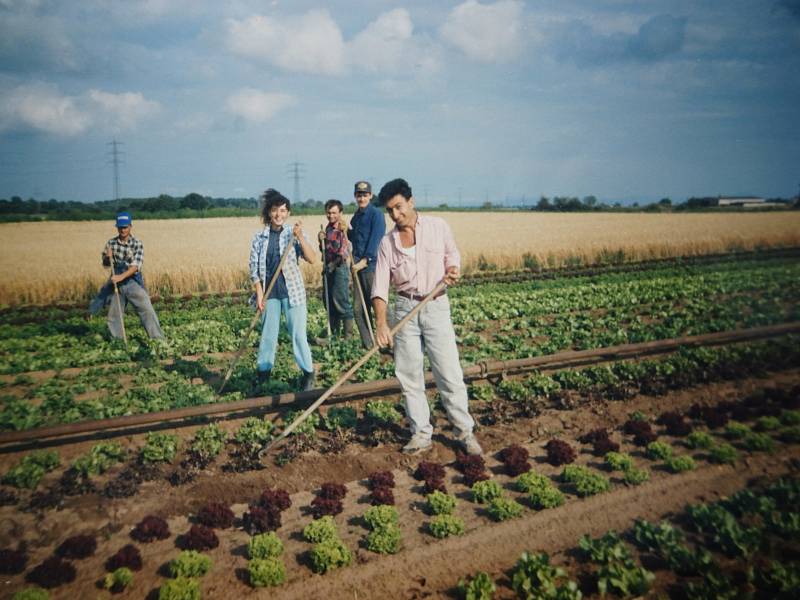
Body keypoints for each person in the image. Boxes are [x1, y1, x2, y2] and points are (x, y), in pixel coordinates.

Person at [371, 178, 483, 456]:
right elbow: (380, 287)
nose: (396, 215)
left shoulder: (438, 226)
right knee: (409, 376)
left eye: (399, 207)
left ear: (411, 201)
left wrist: (454, 270)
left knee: (448, 372)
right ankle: (421, 433)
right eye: (390, 211)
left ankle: (464, 432)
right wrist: (382, 323)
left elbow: (452, 256)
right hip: (404, 307)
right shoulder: (387, 243)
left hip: (435, 305)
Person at [249, 189, 316, 391]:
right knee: (268, 335)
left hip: (292, 292)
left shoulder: (293, 233)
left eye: (283, 210)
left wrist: (300, 238)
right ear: (269, 212)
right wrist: (259, 294)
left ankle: (308, 374)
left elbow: (312, 259)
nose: (279, 214)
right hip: (270, 294)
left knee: (297, 335)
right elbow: (253, 269)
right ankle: (263, 374)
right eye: (275, 210)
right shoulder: (259, 238)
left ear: (288, 213)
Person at [91, 212, 164, 339]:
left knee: (146, 308)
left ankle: (157, 339)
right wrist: (107, 258)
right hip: (116, 282)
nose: (122, 230)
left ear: (130, 226)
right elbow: (106, 264)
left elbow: (135, 266)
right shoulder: (111, 243)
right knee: (114, 314)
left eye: (125, 227)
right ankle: (118, 341)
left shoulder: (137, 243)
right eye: (120, 227)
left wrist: (121, 277)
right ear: (117, 227)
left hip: (132, 282)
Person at [348, 180, 385, 348]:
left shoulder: (376, 215)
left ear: (370, 195)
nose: (361, 198)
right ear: (355, 196)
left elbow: (376, 240)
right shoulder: (356, 217)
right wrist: (346, 230)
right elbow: (355, 239)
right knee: (358, 309)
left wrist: (365, 260)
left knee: (378, 306)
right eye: (359, 195)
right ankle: (369, 346)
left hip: (370, 267)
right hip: (356, 267)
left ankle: (393, 342)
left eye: (364, 195)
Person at [317, 199, 355, 339]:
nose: (331, 215)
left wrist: (333, 265)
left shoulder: (344, 228)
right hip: (328, 267)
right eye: (328, 212)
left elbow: (344, 251)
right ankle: (333, 333)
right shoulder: (328, 228)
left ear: (340, 213)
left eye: (334, 212)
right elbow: (324, 250)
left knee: (341, 301)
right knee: (329, 301)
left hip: (339, 268)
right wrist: (320, 239)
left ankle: (348, 337)